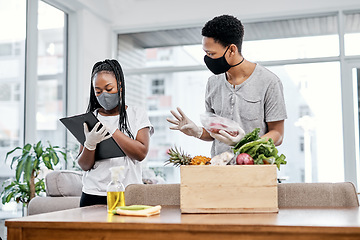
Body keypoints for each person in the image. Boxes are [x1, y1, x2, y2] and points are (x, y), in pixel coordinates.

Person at [167, 15, 287, 157]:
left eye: (211, 54)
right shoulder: (213, 83)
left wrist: (247, 145)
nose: (207, 59)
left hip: (255, 168)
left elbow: (277, 134)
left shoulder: (269, 81)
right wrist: (197, 131)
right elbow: (215, 134)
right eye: (205, 53)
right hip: (220, 169)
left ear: (231, 50)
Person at [77, 59, 153, 207]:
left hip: (128, 194)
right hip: (93, 194)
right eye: (98, 91)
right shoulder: (91, 119)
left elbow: (141, 153)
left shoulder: (137, 114)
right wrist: (90, 144)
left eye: (109, 88)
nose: (103, 95)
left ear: (120, 86)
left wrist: (113, 131)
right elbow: (84, 165)